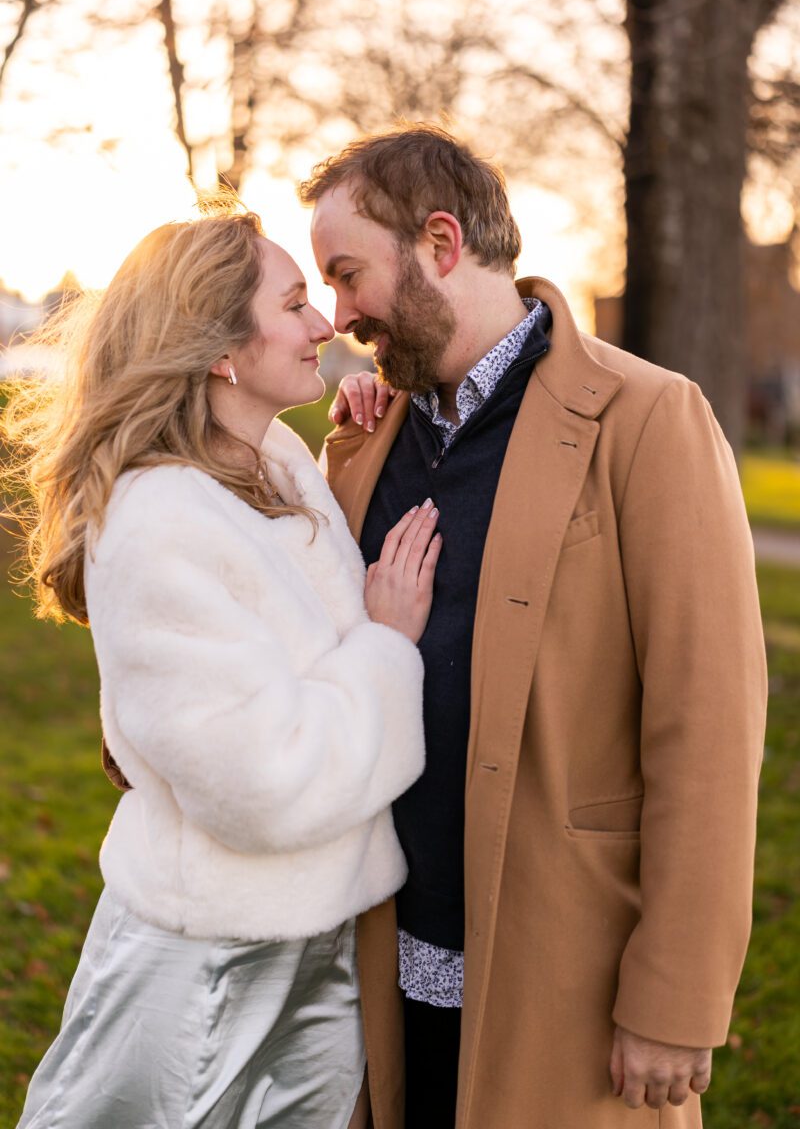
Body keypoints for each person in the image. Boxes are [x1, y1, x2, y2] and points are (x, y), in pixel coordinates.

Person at [298, 125, 768, 1128]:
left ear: (439, 243)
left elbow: (708, 728)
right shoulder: (366, 438)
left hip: (567, 984)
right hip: (381, 972)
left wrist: (677, 995)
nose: (340, 318)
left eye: (347, 276)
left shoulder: (650, 418)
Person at [2, 205, 443, 1128]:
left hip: (315, 938)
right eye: (293, 304)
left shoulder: (271, 462)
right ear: (218, 349)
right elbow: (263, 782)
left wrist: (359, 438)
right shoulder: (159, 521)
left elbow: (292, 626)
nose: (324, 324)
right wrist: (387, 646)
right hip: (207, 959)